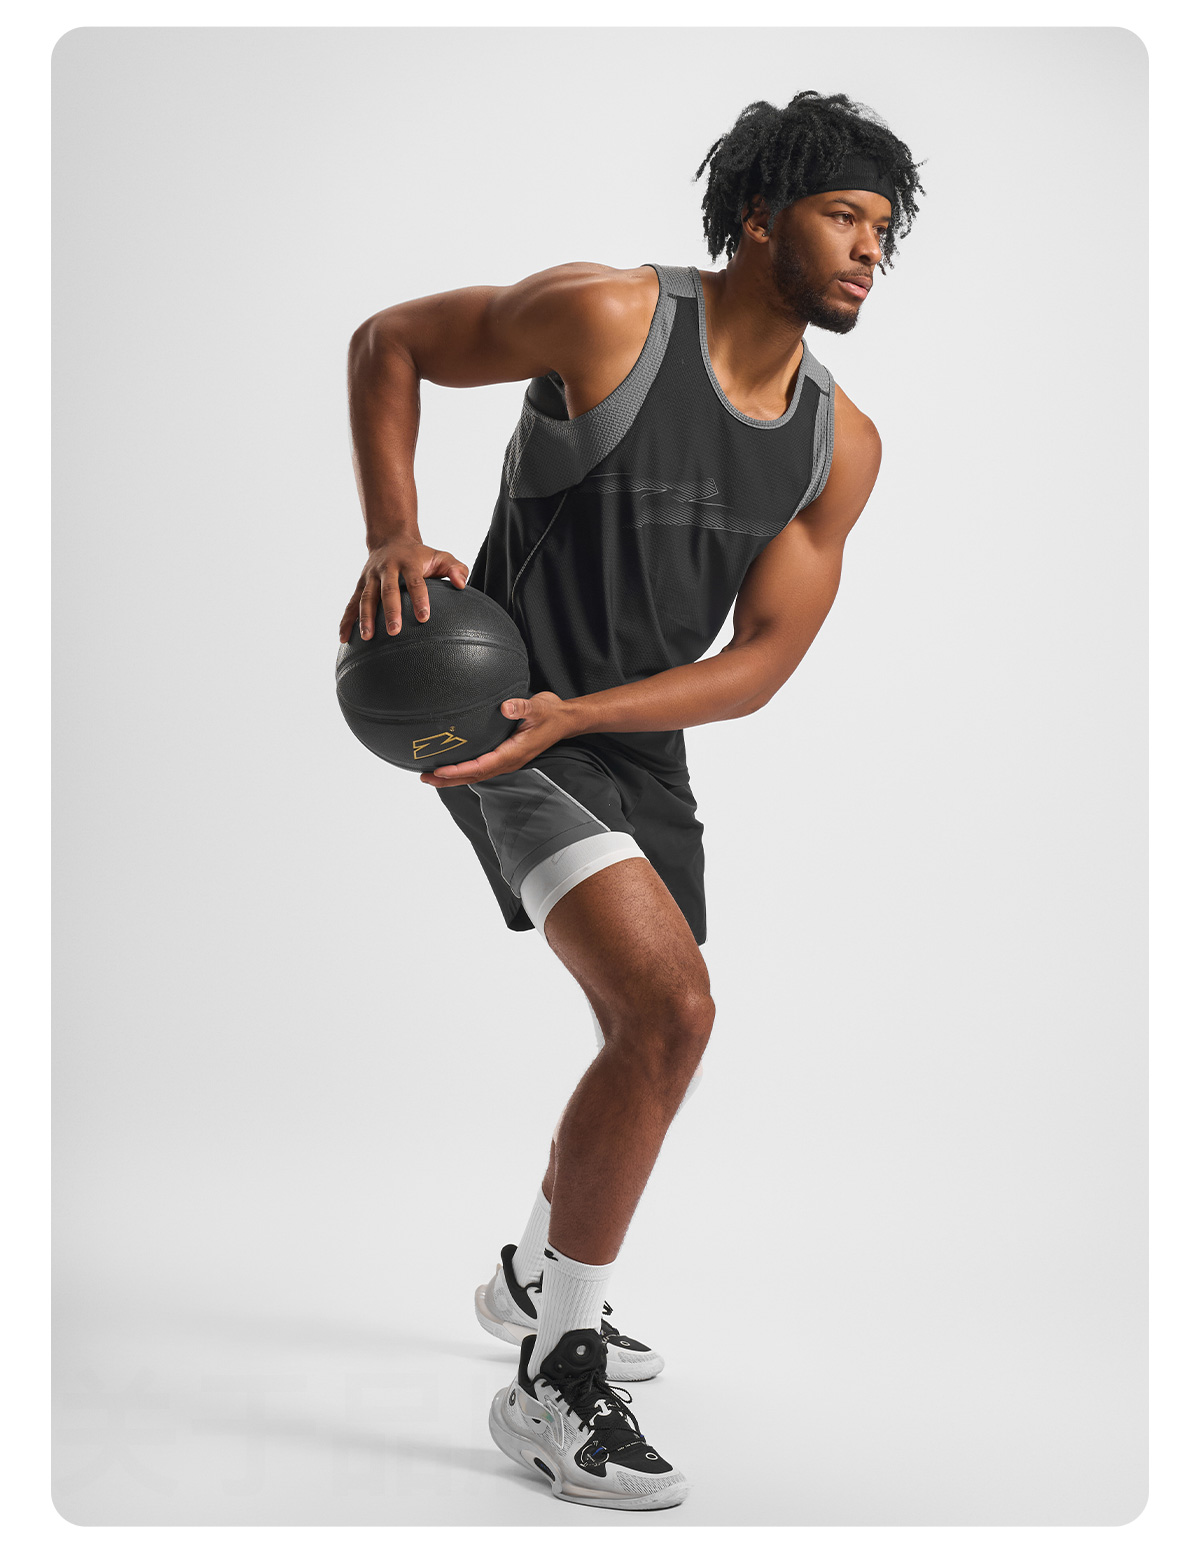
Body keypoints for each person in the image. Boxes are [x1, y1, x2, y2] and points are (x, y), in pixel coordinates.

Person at [340, 89, 925, 1511]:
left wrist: (597, 716)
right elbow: (391, 340)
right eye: (844, 216)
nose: (870, 249)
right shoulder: (609, 319)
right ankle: (555, 1373)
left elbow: (762, 660)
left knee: (645, 1032)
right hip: (503, 723)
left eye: (884, 229)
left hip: (625, 738)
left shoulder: (838, 447)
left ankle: (533, 1275)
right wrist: (394, 533)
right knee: (672, 1014)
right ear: (759, 218)